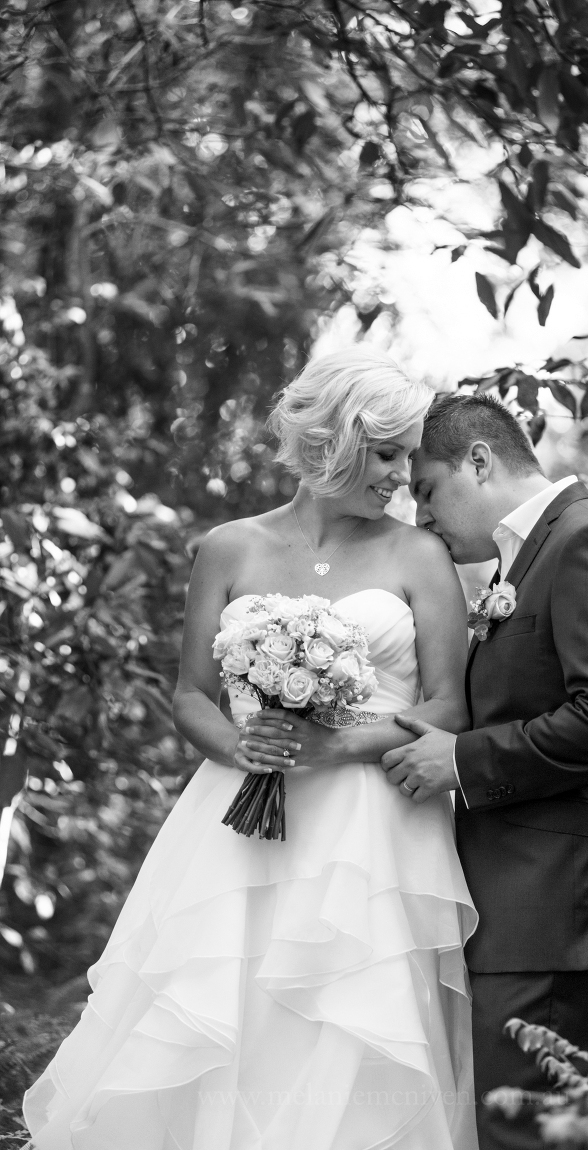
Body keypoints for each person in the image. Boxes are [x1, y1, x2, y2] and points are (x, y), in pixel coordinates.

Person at [23, 349, 479, 1150]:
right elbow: (190, 695)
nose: (401, 477)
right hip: (235, 823)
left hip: (371, 837)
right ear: (333, 441)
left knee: (350, 1018)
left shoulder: (420, 555)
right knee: (220, 1010)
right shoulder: (229, 547)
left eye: (407, 458)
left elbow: (449, 704)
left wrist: (337, 744)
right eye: (386, 454)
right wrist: (241, 746)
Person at [379, 393, 588, 1150]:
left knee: (522, 1137)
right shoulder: (530, 555)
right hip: (523, 906)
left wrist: (461, 759)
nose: (421, 516)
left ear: (479, 461)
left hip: (557, 909)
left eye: (426, 490)